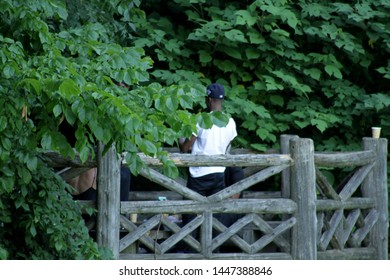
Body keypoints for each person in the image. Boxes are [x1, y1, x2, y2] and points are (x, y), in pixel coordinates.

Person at [178, 83, 237, 251]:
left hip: (199, 173)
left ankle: (189, 251)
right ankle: (213, 251)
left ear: (209, 99)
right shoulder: (230, 122)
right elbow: (227, 146)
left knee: (190, 213)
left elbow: (186, 147)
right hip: (219, 172)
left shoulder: (201, 119)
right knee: (214, 214)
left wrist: (181, 138)